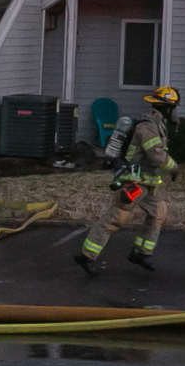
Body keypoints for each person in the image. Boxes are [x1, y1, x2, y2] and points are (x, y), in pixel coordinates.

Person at [75, 86, 179, 275]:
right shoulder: (148, 126)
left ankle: (140, 253)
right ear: (166, 108)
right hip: (133, 182)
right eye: (173, 108)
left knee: (159, 213)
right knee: (116, 217)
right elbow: (156, 155)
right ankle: (86, 256)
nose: (175, 112)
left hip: (149, 183)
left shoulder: (158, 124)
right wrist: (173, 167)